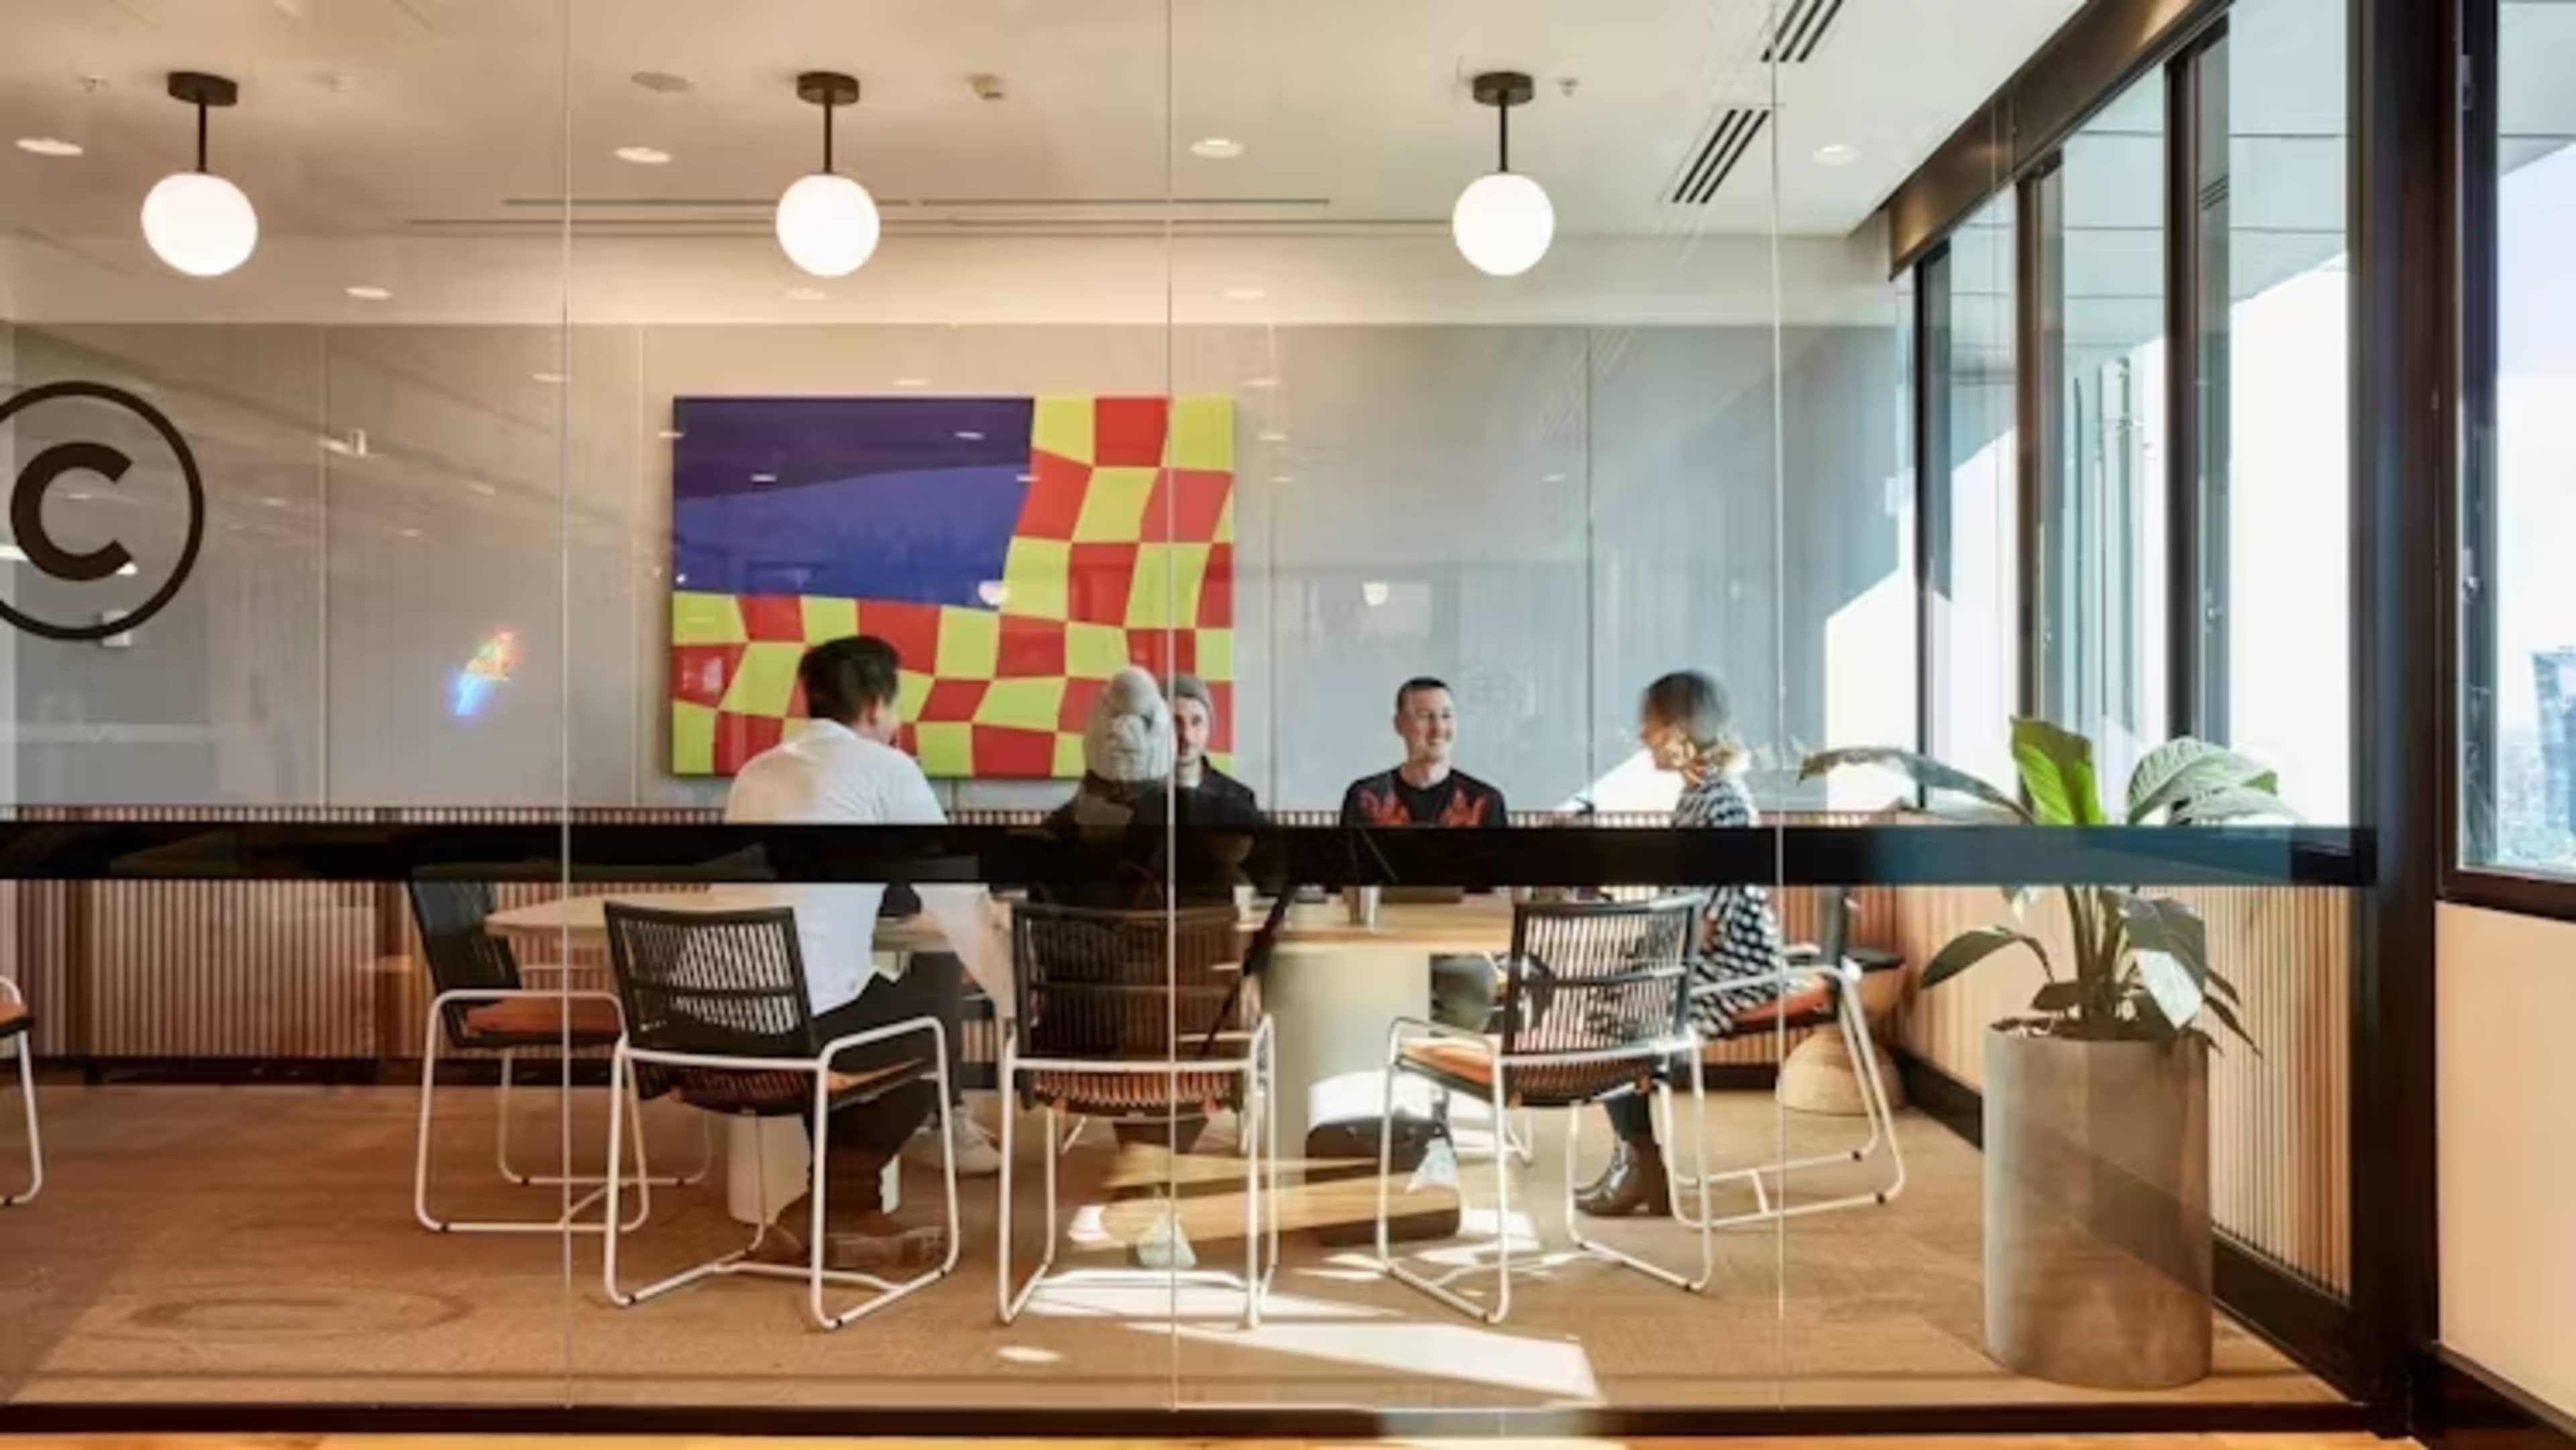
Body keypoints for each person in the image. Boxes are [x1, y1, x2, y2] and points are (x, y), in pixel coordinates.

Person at [722, 635, 1010, 1267]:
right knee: (929, 1027)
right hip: (794, 1032)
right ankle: (841, 1208)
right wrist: (1017, 1004)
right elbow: (959, 895)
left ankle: (824, 1214)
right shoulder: (886, 770)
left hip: (706, 1030)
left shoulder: (757, 771)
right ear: (878, 706)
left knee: (860, 1016)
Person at [1574, 670, 1788, 1219]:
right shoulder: (1701, 796)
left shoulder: (1719, 802)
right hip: (1707, 960)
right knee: (1604, 995)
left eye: (1648, 724)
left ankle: (1640, 1167)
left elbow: (1708, 923)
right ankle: (1640, 1163)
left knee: (1611, 1012)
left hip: (1735, 970)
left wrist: (1640, 953)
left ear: (1677, 730)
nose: (1641, 736)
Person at [1338, 676, 1507, 827]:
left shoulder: (1485, 801)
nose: (1439, 728)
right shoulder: (1366, 798)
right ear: (1399, 725)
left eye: (1446, 716)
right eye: (1425, 716)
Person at [1167, 673, 1259, 816]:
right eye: (1176, 722)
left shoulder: (1238, 799)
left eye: (1196, 722)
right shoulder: (1137, 801)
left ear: (1209, 727)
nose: (1187, 736)